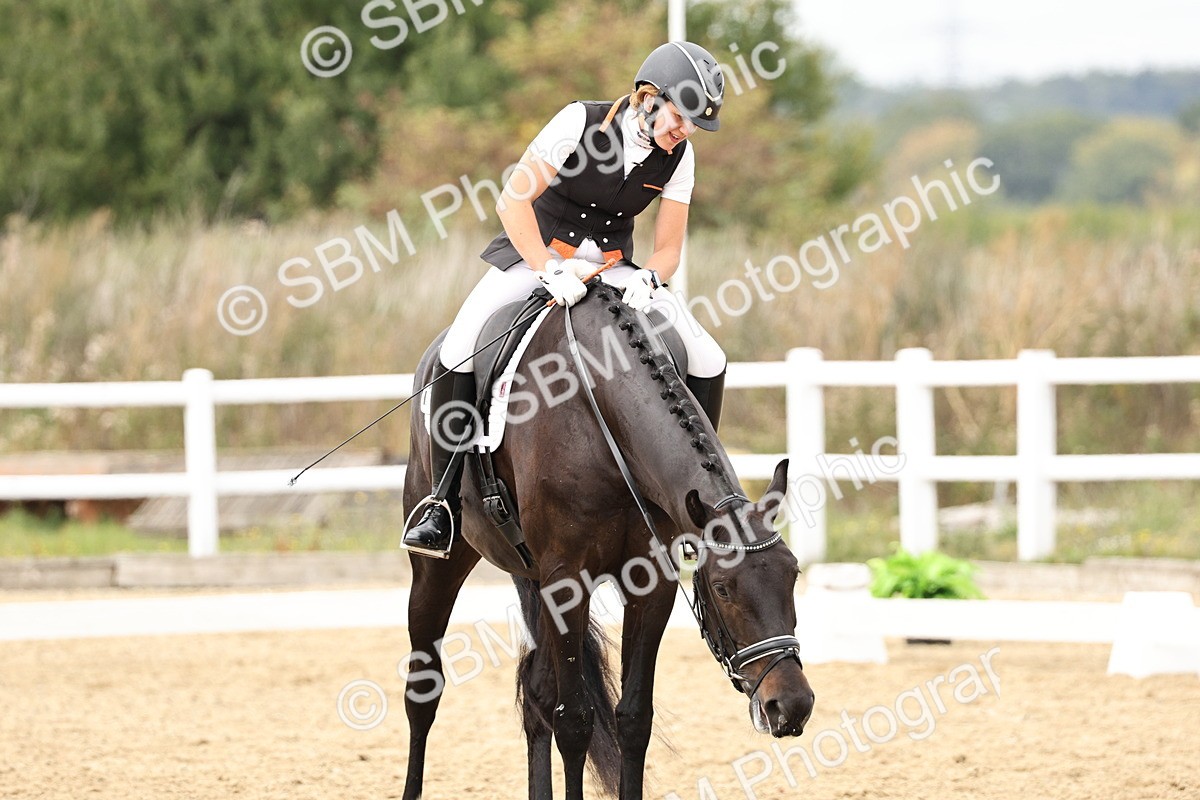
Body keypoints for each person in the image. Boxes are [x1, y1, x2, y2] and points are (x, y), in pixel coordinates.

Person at [403, 41, 729, 558]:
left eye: (693, 123)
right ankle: (442, 503)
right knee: (457, 349)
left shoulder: (679, 158)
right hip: (533, 257)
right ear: (648, 96)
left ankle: (703, 499)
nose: (684, 130)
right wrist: (546, 269)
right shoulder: (579, 121)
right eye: (680, 115)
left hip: (613, 269)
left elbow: (668, 249)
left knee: (709, 356)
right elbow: (513, 200)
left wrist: (651, 280)